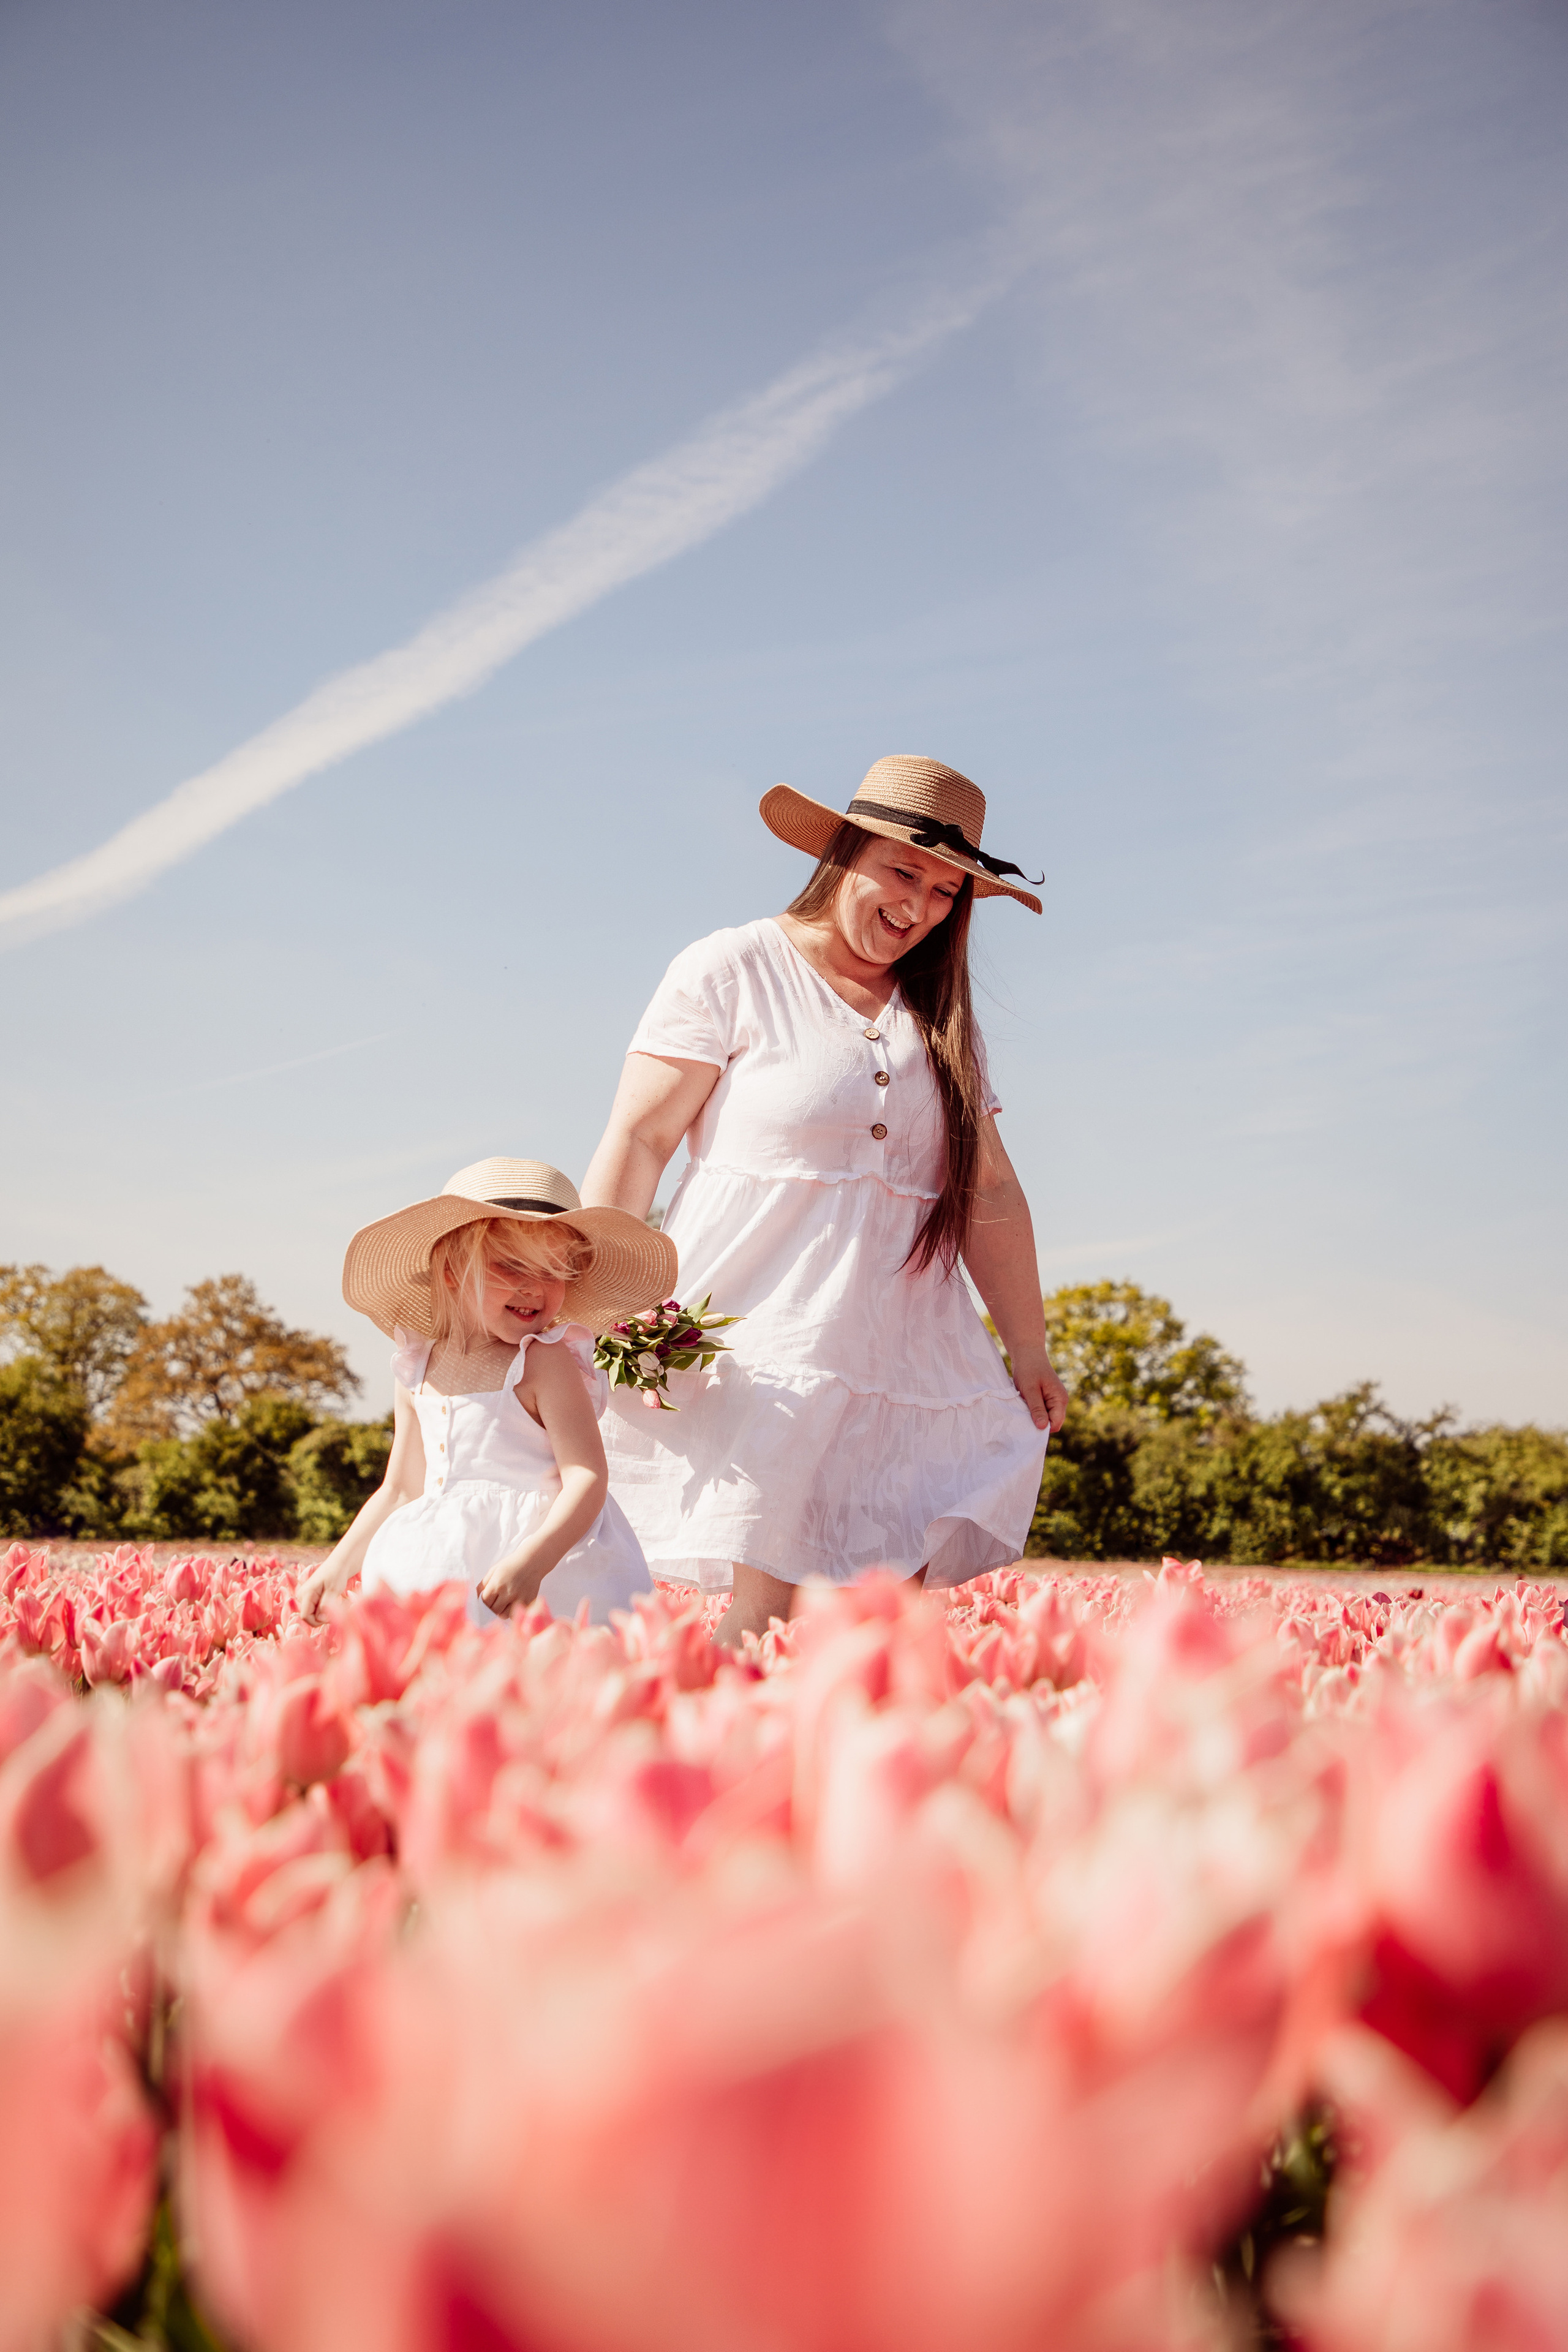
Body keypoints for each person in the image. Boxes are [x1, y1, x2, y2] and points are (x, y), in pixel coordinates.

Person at [579, 754, 1069, 1648]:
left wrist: (1028, 1342)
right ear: (846, 851)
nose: (919, 906)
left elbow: (988, 1187)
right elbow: (639, 1139)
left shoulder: (939, 1020)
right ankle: (722, 1764)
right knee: (767, 1617)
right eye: (904, 871)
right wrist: (619, 1303)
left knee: (877, 1624)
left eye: (947, 891)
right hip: (766, 1336)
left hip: (907, 1356)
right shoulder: (732, 966)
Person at [298, 1157, 676, 1627]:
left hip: (548, 1563)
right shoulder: (418, 1367)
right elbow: (399, 1488)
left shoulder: (545, 1361)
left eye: (553, 1271)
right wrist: (337, 1567)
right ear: (454, 1269)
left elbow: (587, 1479)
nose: (534, 1287)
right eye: (511, 1266)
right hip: (439, 1561)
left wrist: (534, 1561)